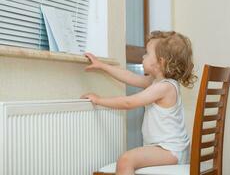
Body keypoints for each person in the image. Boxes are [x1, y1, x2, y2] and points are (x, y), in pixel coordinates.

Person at [81, 31, 197, 175]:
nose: (143, 56)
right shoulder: (157, 83)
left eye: (147, 54)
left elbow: (129, 103)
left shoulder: (164, 87)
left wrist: (99, 100)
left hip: (170, 151)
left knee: (126, 160)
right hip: (169, 149)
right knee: (128, 159)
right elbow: (129, 77)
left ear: (160, 62)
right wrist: (102, 66)